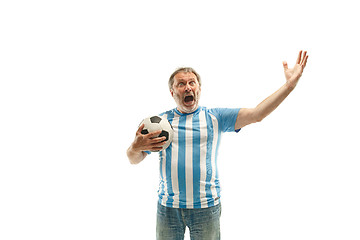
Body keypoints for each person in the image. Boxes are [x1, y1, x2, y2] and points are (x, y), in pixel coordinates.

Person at [127, 51, 309, 240]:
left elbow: (257, 114)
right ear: (172, 92)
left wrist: (289, 86)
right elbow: (133, 159)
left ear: (199, 88)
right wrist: (135, 146)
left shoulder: (215, 117)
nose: (187, 87)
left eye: (192, 83)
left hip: (206, 207)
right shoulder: (160, 123)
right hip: (168, 208)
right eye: (181, 84)